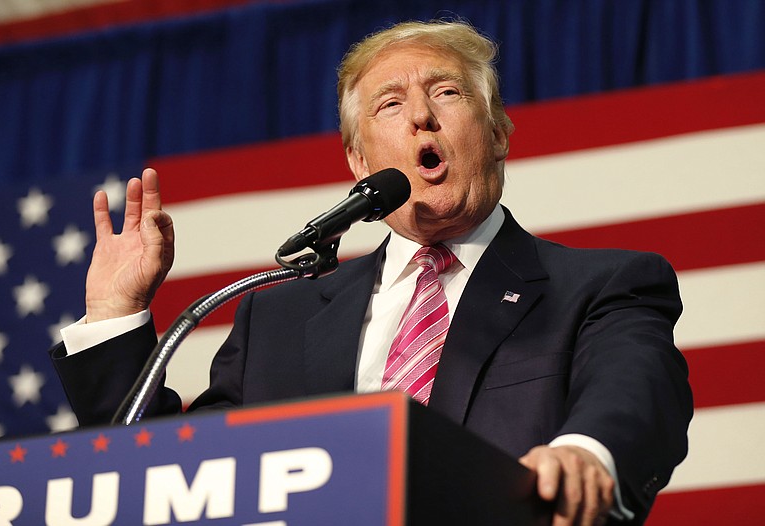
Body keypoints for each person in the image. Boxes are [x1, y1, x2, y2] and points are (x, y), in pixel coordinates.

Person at [50, 20, 692, 526]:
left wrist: (586, 455)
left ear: (497, 133)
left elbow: (635, 394)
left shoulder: (603, 285)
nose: (421, 117)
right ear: (358, 161)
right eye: (390, 105)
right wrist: (115, 312)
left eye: (446, 92)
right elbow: (180, 478)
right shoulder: (278, 317)